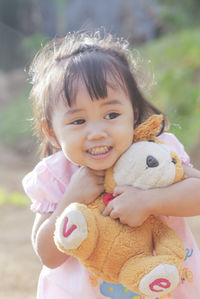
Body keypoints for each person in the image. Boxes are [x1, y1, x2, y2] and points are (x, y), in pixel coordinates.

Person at [22, 30, 200, 299]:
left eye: (112, 114)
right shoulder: (57, 177)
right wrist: (72, 198)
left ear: (133, 114)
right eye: (78, 121)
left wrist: (149, 201)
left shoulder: (155, 152)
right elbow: (48, 255)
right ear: (52, 132)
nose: (97, 132)